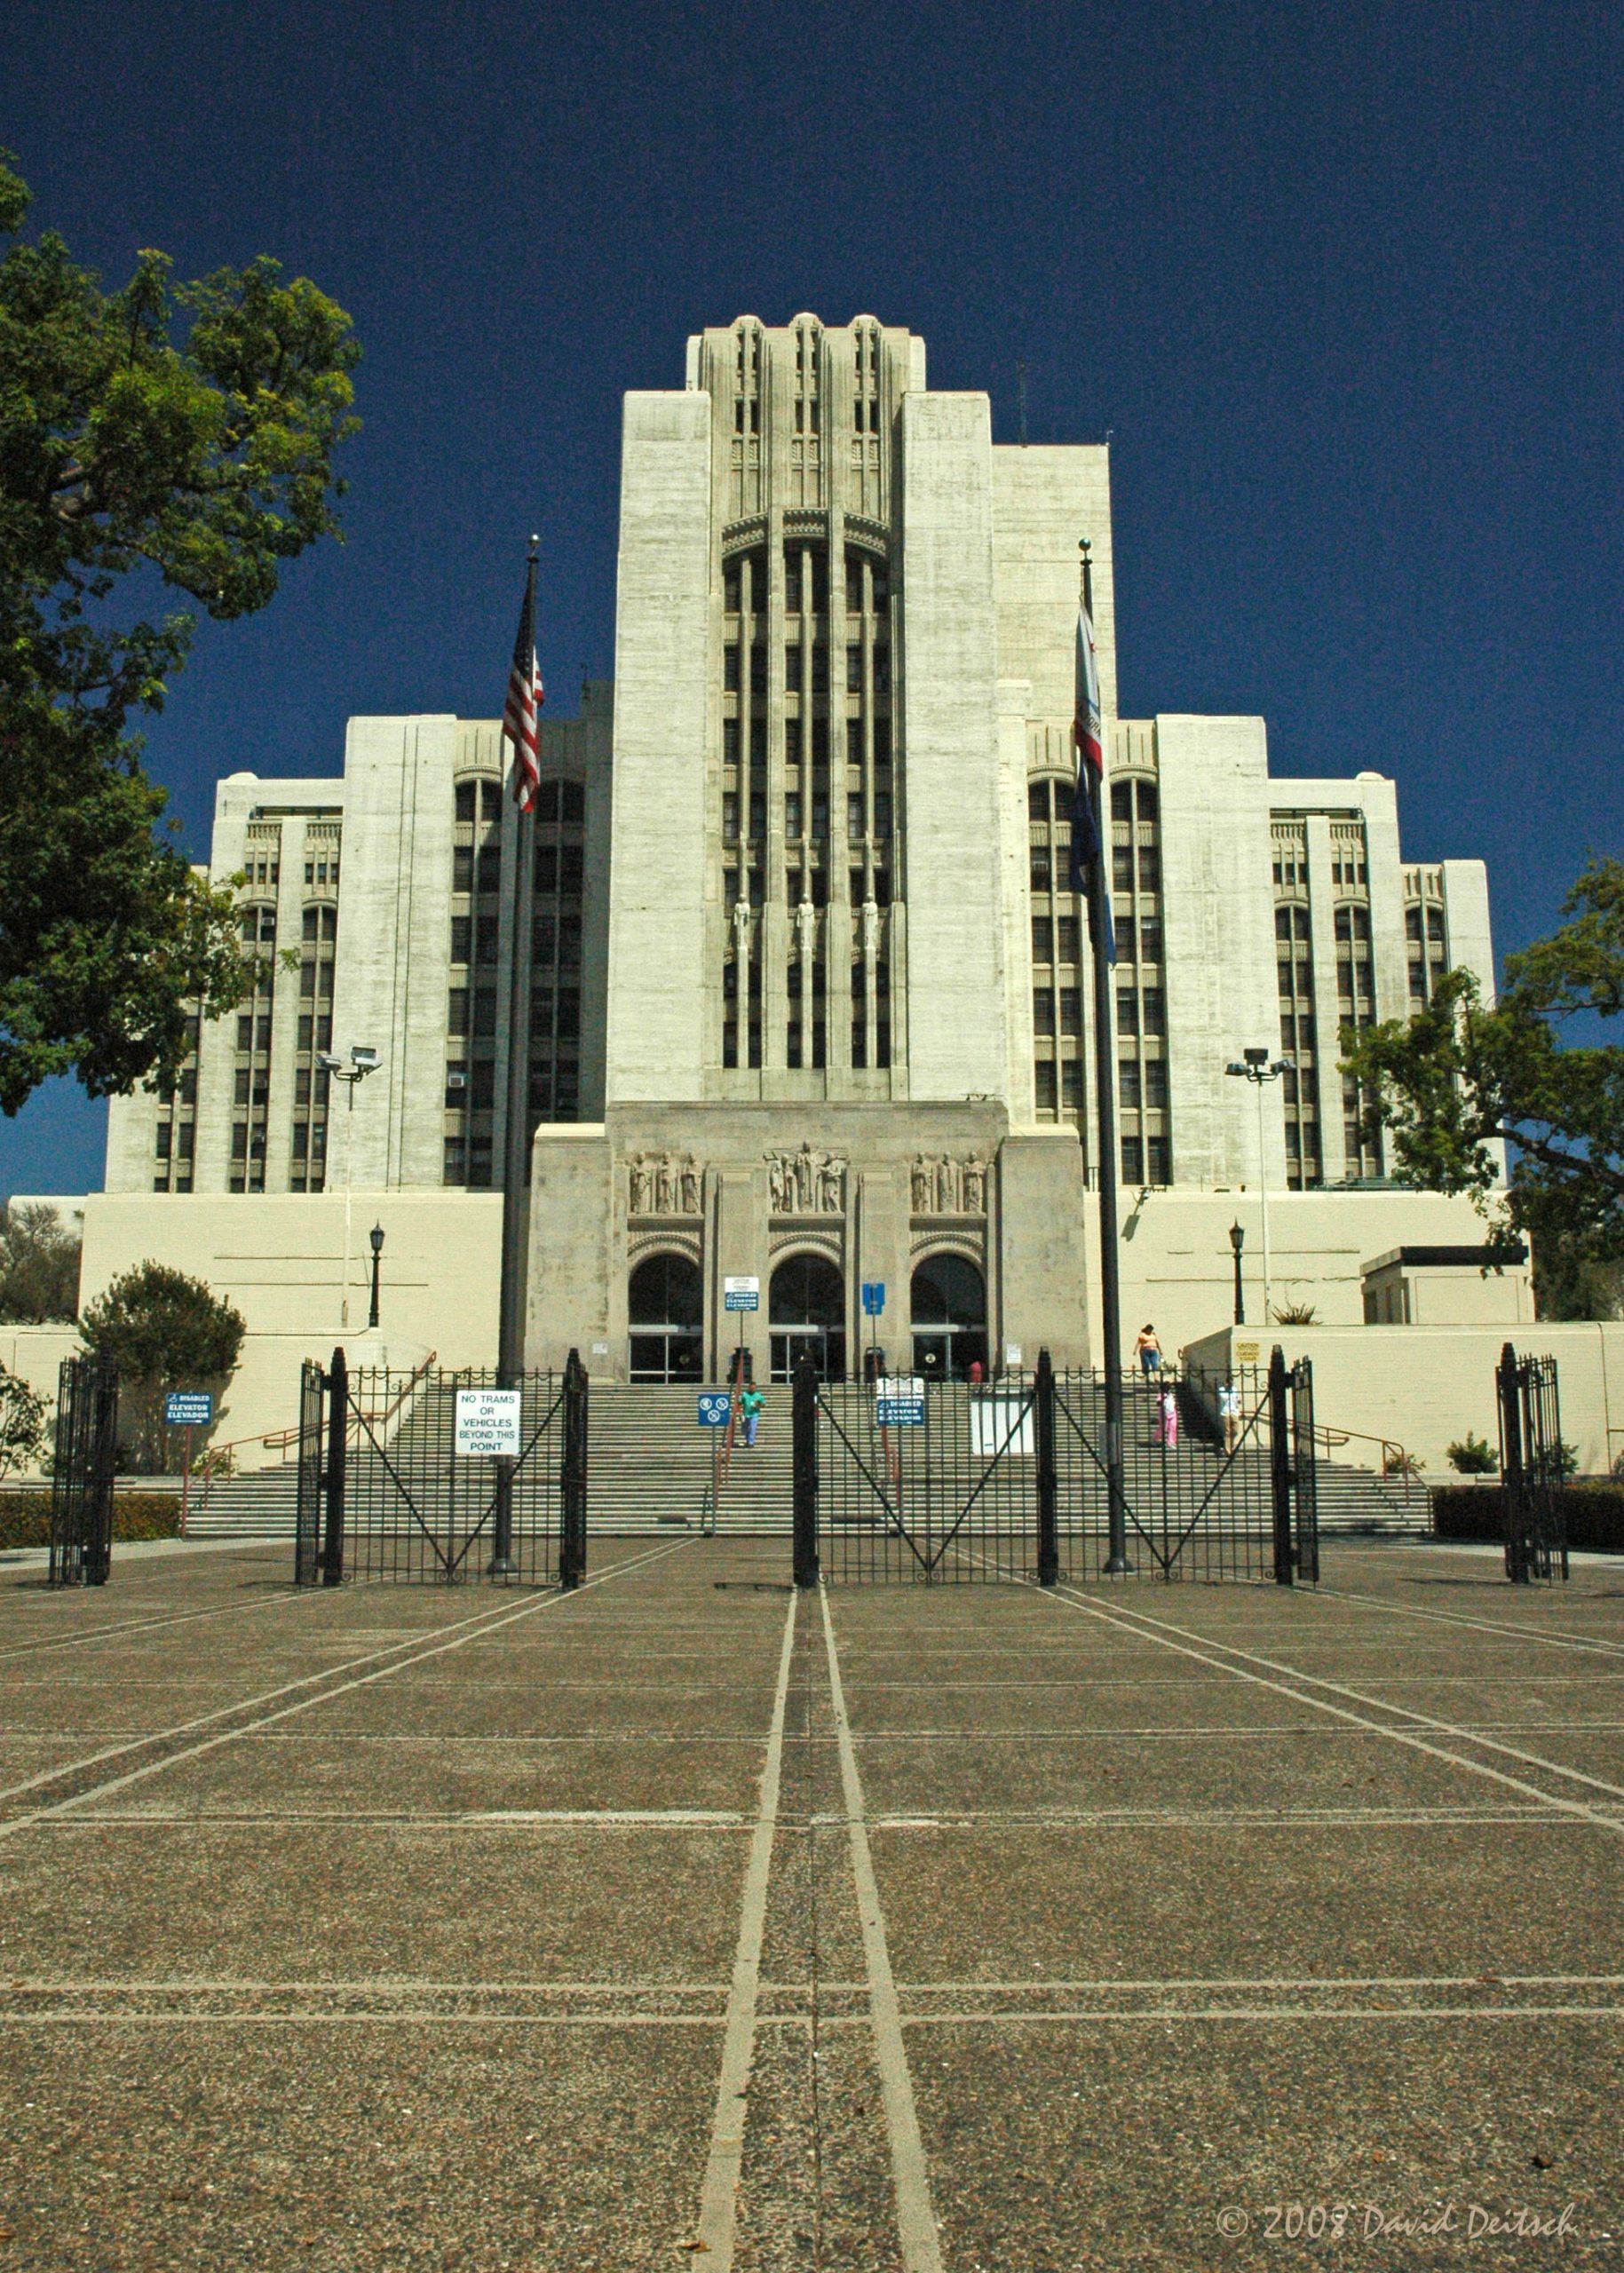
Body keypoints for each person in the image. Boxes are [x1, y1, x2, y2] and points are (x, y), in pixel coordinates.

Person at [1218, 1379, 1241, 1454]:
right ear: (1227, 1383)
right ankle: (1228, 1451)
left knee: (1235, 1430)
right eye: (1230, 1383)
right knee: (1227, 1431)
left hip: (1234, 1411)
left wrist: (1238, 1400)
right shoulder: (1221, 1390)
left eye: (1232, 1383)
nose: (1231, 1385)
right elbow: (1224, 1398)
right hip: (1226, 1411)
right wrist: (1228, 1391)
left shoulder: (1234, 1389)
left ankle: (1231, 1444)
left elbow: (1236, 1398)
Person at [740, 1383, 764, 1448]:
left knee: (752, 1428)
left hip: (754, 1414)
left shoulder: (759, 1396)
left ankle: (751, 1442)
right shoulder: (745, 1395)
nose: (752, 1389)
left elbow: (763, 1404)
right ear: (749, 1388)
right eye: (751, 1388)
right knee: (744, 1429)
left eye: (753, 1388)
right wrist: (739, 1413)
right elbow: (739, 1402)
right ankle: (748, 1440)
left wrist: (758, 1405)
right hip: (745, 1414)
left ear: (756, 1388)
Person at [1158, 1382, 1178, 1449]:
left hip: (1172, 1412)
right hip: (1164, 1413)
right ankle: (1155, 1438)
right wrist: (1163, 1399)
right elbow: (1158, 1403)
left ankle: (1171, 1442)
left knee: (1173, 1427)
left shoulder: (1170, 1394)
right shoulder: (1161, 1394)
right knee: (1163, 1428)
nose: (1168, 1388)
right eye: (1167, 1387)